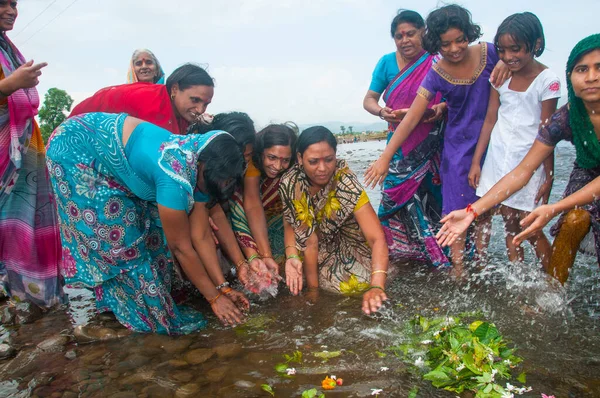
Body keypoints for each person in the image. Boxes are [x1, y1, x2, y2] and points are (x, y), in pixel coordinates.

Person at [46, 112, 249, 333]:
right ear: (202, 165)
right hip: (75, 151)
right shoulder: (173, 178)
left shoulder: (202, 162)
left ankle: (143, 305)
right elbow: (180, 247)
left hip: (114, 157)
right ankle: (103, 318)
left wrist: (223, 289)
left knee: (152, 235)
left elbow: (199, 235)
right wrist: (214, 299)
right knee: (119, 241)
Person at [437, 34, 600, 285]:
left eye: (599, 68)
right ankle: (554, 294)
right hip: (588, 170)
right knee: (573, 222)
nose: (591, 77)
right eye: (582, 69)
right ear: (571, 77)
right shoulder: (567, 118)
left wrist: (554, 206)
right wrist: (471, 211)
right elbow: (522, 171)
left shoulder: (546, 84)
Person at [364, 4, 507, 274]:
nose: (454, 49)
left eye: (460, 40)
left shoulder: (490, 52)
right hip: (457, 146)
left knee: (485, 208)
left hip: (492, 142)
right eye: (445, 44)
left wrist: (503, 61)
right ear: (436, 44)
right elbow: (410, 119)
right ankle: (458, 269)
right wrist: (384, 157)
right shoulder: (436, 72)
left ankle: (482, 263)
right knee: (454, 205)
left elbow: (517, 61)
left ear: (469, 34)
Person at [468, 12, 560, 269]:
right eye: (503, 50)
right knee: (508, 221)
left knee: (528, 224)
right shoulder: (501, 77)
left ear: (536, 44)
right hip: (498, 159)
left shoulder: (548, 81)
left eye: (516, 49)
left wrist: (548, 174)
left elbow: (548, 131)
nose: (509, 57)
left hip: (529, 159)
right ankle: (516, 278)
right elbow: (490, 120)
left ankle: (554, 278)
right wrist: (477, 162)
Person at [362, 9, 448, 266]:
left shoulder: (437, 60)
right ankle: (400, 253)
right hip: (399, 145)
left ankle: (439, 252)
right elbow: (369, 99)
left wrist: (438, 110)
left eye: (410, 33)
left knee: (435, 197)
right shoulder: (386, 63)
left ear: (423, 32)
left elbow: (449, 97)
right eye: (399, 36)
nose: (405, 40)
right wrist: (382, 111)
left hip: (433, 142)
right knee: (394, 196)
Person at [279, 126, 390, 314]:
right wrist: (313, 292)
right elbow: (309, 240)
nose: (322, 169)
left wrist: (377, 285)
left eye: (329, 160)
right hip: (309, 244)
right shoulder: (290, 184)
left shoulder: (346, 182)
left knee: (357, 285)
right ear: (299, 159)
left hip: (349, 243)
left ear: (336, 156)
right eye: (313, 162)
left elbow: (376, 238)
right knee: (290, 279)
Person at [0, 0, 64, 308]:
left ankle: (29, 295)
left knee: (24, 220)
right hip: (6, 151)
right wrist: (10, 85)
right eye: (2, 3)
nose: (11, 10)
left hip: (24, 145)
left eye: (14, 4)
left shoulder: (8, 49)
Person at [232, 124, 297, 293]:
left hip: (278, 219)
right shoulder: (252, 163)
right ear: (261, 153)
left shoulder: (294, 171)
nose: (277, 166)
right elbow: (252, 203)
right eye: (272, 157)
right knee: (237, 203)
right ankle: (254, 258)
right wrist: (265, 254)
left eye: (285, 160)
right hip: (250, 215)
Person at [71, 63, 214, 135]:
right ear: (175, 89)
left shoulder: (179, 113)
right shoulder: (149, 106)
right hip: (75, 138)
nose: (200, 110)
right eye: (195, 100)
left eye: (206, 104)